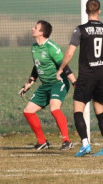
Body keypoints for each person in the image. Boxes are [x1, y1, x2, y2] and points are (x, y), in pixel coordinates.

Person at [56, 0, 103, 157]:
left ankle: (85, 145)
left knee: (78, 111)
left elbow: (69, 53)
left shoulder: (80, 30)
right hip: (101, 76)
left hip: (86, 76)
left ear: (85, 11)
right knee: (100, 111)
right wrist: (100, 60)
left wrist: (61, 68)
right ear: (100, 11)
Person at [19, 20, 75, 151]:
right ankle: (42, 141)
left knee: (54, 108)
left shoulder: (51, 47)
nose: (32, 28)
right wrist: (28, 84)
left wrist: (75, 83)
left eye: (35, 27)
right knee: (28, 111)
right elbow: (37, 67)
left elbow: (64, 65)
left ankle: (67, 141)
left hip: (58, 82)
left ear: (41, 32)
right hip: (45, 85)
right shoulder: (34, 47)